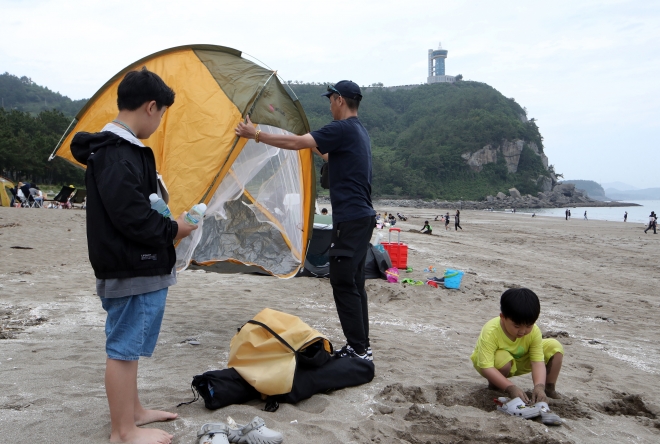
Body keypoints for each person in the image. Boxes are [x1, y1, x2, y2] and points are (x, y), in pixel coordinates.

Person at [70, 67, 197, 444]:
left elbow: (137, 207)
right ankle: (123, 431)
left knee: (130, 344)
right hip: (131, 266)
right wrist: (174, 229)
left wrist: (170, 223)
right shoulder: (115, 152)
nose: (158, 123)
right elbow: (130, 215)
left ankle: (134, 412)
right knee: (123, 348)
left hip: (136, 264)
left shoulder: (120, 151)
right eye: (161, 115)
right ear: (151, 107)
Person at [236, 80, 376, 361]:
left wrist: (257, 134)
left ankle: (358, 349)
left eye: (330, 100)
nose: (329, 106)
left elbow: (299, 143)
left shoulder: (342, 128)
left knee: (342, 281)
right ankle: (362, 345)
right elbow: (321, 151)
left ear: (338, 99)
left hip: (351, 220)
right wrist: (301, 138)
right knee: (354, 282)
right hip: (361, 219)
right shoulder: (357, 132)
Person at [471, 288, 564, 403]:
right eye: (517, 326)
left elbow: (537, 362)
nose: (523, 331)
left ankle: (548, 389)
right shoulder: (491, 331)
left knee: (554, 347)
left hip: (519, 361)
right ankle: (496, 386)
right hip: (491, 364)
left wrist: (539, 386)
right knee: (502, 358)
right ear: (503, 317)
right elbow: (486, 367)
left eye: (529, 326)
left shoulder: (534, 331)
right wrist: (511, 387)